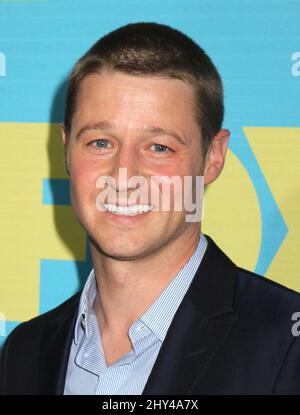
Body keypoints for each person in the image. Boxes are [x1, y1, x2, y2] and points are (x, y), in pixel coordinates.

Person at [1, 22, 300, 395]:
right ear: (65, 149)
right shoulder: (25, 351)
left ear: (213, 157)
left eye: (159, 147)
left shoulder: (287, 345)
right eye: (100, 142)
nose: (124, 176)